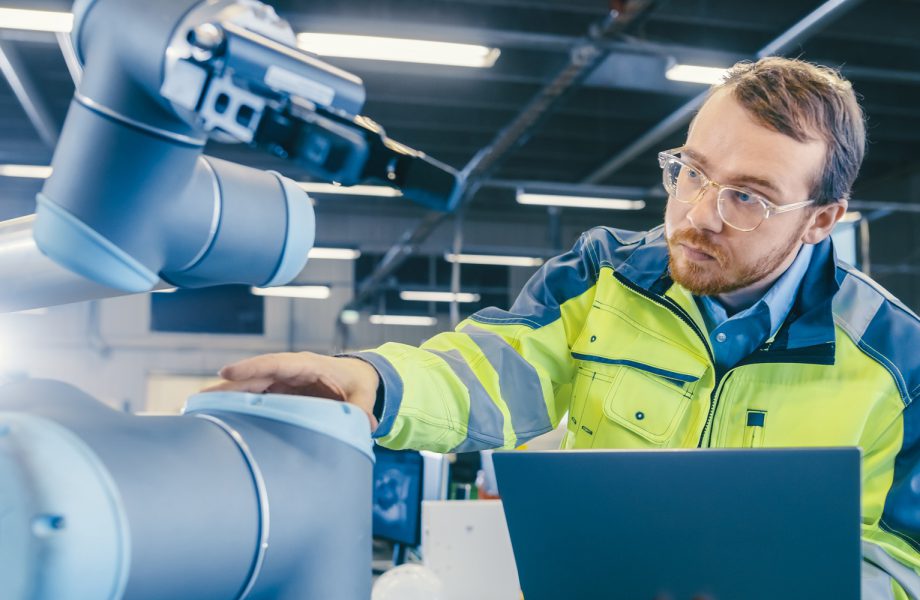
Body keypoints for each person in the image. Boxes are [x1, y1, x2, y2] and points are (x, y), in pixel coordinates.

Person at [206, 58, 920, 598]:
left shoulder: (899, 365)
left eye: (747, 198)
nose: (698, 214)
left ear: (823, 220)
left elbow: (902, 564)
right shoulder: (604, 276)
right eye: (691, 173)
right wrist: (374, 382)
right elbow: (489, 366)